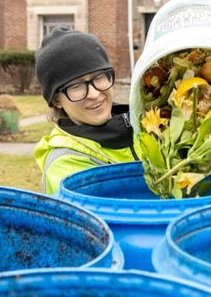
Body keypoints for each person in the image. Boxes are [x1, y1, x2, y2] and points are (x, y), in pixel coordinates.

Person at [34, 26, 139, 195]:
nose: (94, 93)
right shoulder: (66, 163)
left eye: (98, 77)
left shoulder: (144, 126)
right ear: (56, 100)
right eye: (76, 86)